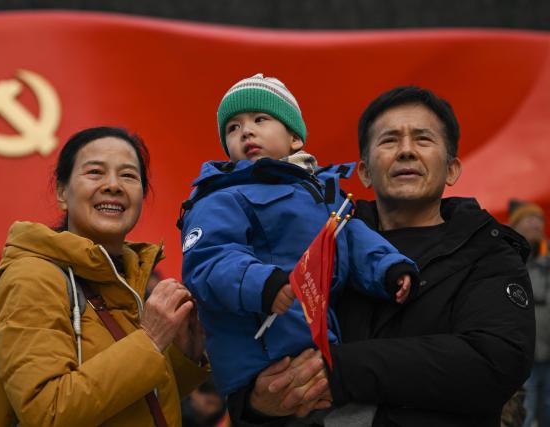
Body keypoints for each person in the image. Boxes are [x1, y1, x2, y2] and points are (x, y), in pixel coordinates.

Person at [228, 86, 536, 426]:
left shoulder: (489, 253)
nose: (405, 151)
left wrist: (340, 369)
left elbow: (493, 361)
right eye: (389, 140)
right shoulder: (316, 241)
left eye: (422, 139)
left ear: (451, 170)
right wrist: (254, 404)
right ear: (363, 171)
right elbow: (258, 352)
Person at [180, 74, 417, 399]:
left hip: (318, 347)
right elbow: (209, 260)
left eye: (259, 119)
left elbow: (350, 236)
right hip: (261, 358)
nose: (245, 131)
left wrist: (389, 268)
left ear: (294, 138)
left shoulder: (321, 190)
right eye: (233, 128)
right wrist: (263, 284)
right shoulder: (219, 197)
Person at [0, 127, 209, 426]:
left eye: (129, 176)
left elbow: (130, 401)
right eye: (95, 172)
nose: (113, 185)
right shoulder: (32, 276)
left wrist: (184, 354)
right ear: (62, 192)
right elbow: (46, 412)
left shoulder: (124, 278)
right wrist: (151, 340)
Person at [509, 200, 550, 427]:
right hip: (522, 358)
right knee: (523, 412)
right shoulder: (506, 258)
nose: (537, 223)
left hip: (549, 355)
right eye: (530, 218)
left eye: (540, 219)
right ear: (515, 225)